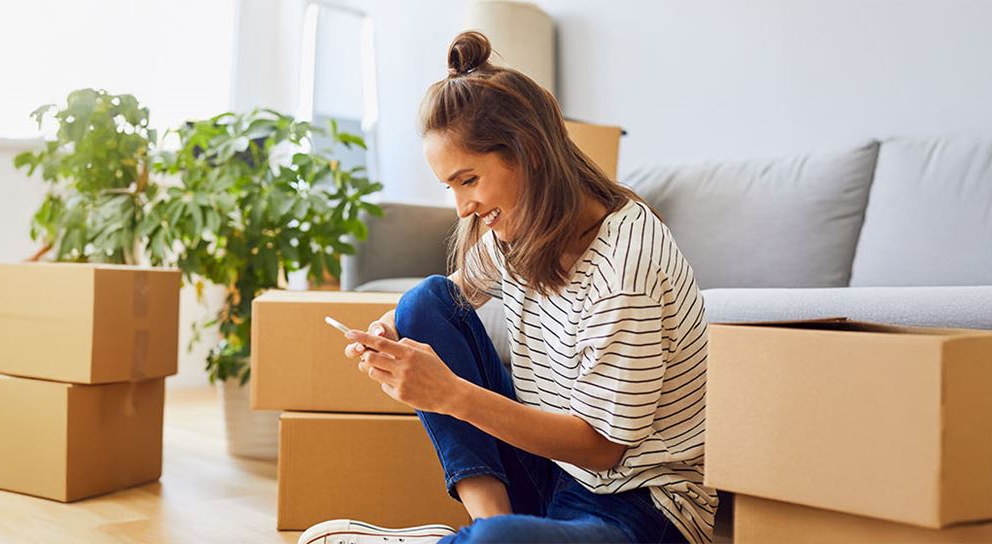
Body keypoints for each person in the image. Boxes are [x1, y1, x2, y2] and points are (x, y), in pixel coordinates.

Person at [298, 31, 717, 544]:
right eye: (451, 186)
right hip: (553, 475)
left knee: (501, 543)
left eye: (468, 180)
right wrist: (389, 334)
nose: (462, 208)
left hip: (641, 507)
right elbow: (447, 299)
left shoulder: (625, 268)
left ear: (528, 153)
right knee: (423, 301)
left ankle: (483, 538)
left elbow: (604, 450)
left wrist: (450, 394)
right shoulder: (518, 233)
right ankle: (488, 524)